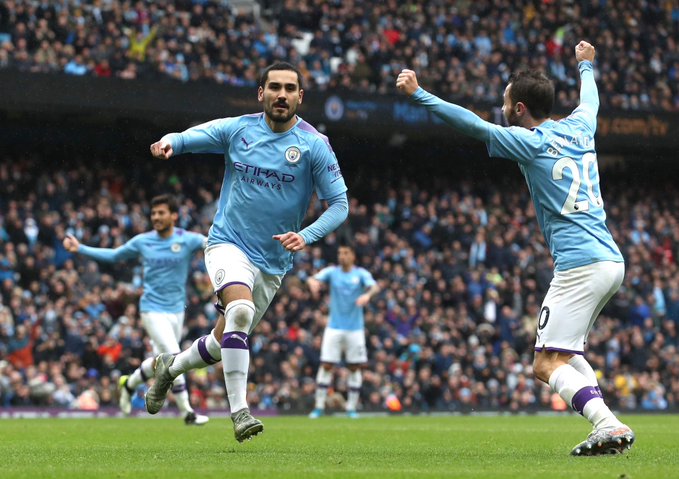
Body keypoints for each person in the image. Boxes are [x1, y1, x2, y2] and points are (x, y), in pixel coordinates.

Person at [396, 41, 634, 456]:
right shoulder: (581, 126)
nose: (501, 106)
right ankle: (607, 423)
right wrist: (585, 67)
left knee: (544, 364)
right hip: (610, 260)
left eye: (506, 100)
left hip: (579, 264)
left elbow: (473, 126)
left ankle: (606, 423)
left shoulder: (531, 141)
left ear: (519, 108)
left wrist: (420, 94)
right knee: (566, 352)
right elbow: (590, 101)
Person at [146, 61, 349, 442]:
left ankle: (169, 368)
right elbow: (191, 136)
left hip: (272, 263)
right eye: (274, 87)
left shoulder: (314, 146)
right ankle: (239, 412)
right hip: (227, 243)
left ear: (300, 97)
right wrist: (171, 140)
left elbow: (339, 204)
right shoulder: (239, 129)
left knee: (223, 342)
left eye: (290, 89)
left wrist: (307, 235)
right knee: (240, 310)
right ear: (261, 93)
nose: (282, 95)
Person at [63, 194, 209, 426]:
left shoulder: (187, 239)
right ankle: (187, 412)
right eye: (153, 213)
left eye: (161, 213)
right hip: (151, 308)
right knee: (174, 355)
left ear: (174, 215)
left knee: (160, 361)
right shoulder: (143, 241)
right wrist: (80, 248)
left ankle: (129, 384)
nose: (156, 217)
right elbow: (114, 255)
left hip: (177, 310)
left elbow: (213, 243)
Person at [307, 243, 379, 419]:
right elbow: (312, 278)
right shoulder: (332, 272)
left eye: (346, 252)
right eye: (340, 253)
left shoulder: (360, 274)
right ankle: (319, 406)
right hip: (334, 327)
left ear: (353, 256)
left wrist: (367, 295)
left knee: (354, 367)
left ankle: (351, 408)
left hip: (355, 328)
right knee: (326, 365)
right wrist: (313, 284)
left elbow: (375, 286)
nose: (342, 256)